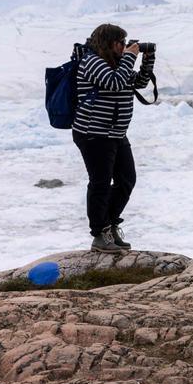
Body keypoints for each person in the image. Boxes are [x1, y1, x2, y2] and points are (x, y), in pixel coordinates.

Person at [72, 23, 154, 254]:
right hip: (93, 134)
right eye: (121, 42)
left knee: (127, 179)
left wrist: (147, 59)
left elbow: (139, 82)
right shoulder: (92, 62)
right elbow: (115, 82)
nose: (125, 46)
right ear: (109, 42)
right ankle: (100, 234)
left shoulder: (116, 63)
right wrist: (129, 57)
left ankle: (110, 224)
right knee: (100, 183)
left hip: (115, 133)